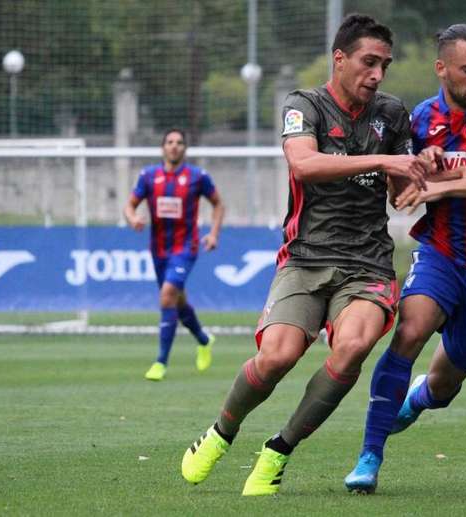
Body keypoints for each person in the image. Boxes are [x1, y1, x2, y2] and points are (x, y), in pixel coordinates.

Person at [180, 14, 432, 497]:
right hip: (305, 258)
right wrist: (382, 161)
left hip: (367, 263)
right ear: (340, 59)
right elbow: (304, 163)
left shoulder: (393, 114)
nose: (377, 74)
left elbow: (401, 192)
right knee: (277, 357)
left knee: (354, 346)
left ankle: (279, 449)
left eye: (385, 65)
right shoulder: (305, 105)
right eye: (368, 62)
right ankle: (221, 431)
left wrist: (420, 175)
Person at [344, 23, 466, 494]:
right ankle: (369, 456)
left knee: (445, 384)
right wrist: (426, 168)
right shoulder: (421, 122)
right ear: (442, 69)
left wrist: (452, 179)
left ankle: (417, 402)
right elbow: (405, 192)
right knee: (409, 331)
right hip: (443, 253)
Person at [123, 128, 224, 381]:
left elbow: (218, 204)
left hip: (185, 248)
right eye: (170, 142)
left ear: (184, 148)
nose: (174, 146)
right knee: (176, 301)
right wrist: (133, 218)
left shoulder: (197, 176)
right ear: (163, 147)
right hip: (158, 249)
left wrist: (213, 234)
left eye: (179, 142)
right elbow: (129, 205)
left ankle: (160, 362)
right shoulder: (148, 176)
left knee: (167, 295)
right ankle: (203, 339)